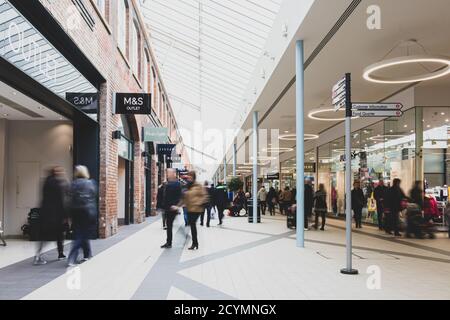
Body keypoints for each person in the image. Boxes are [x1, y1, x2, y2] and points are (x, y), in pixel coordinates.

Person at [34, 167, 69, 265]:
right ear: (56, 173)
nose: (62, 173)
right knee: (59, 235)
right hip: (57, 215)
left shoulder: (46, 182)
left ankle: (39, 255)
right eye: (60, 171)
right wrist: (65, 215)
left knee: (45, 236)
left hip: (46, 214)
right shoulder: (58, 184)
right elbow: (61, 201)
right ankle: (60, 254)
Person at [67, 166, 97, 267]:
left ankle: (87, 255)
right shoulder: (90, 183)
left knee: (82, 234)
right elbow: (94, 195)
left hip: (76, 212)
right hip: (87, 212)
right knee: (81, 235)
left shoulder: (73, 184)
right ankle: (71, 258)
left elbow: (69, 197)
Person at [182, 171, 208, 250]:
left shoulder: (198, 185)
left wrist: (198, 203)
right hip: (189, 209)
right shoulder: (187, 186)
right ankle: (195, 243)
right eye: (188, 176)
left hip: (196, 209)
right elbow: (184, 196)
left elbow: (205, 196)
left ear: (193, 177)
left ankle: (194, 243)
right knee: (192, 225)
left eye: (190, 176)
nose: (188, 177)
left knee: (192, 225)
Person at [160, 169, 182, 249]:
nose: (167, 174)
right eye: (167, 173)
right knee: (169, 225)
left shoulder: (177, 184)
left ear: (174, 174)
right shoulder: (168, 183)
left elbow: (181, 196)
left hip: (172, 208)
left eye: (169, 173)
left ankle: (169, 242)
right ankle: (169, 242)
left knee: (169, 225)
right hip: (167, 208)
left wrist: (177, 206)